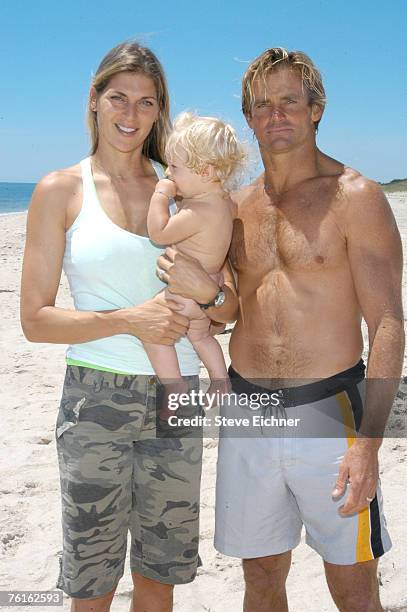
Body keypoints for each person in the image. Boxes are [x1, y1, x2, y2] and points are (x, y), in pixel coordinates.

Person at [155, 47, 404, 611]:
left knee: (352, 582)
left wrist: (368, 444)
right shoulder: (235, 206)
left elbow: (387, 322)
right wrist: (206, 292)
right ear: (248, 117)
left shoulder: (355, 197)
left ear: (316, 108)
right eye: (263, 104)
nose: (276, 115)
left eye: (290, 100)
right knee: (261, 575)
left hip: (330, 408)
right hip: (248, 410)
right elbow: (232, 310)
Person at [20, 41, 211, 612]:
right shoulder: (61, 190)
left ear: (160, 111)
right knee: (93, 583)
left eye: (147, 102)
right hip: (95, 401)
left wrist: (214, 295)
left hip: (178, 401)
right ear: (95, 101)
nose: (131, 116)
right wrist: (131, 320)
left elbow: (225, 305)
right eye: (119, 98)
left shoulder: (180, 189)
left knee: (160, 577)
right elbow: (35, 321)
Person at [145, 112, 246, 412]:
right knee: (200, 336)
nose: (169, 175)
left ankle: (173, 385)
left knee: (154, 336)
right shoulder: (224, 203)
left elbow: (159, 232)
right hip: (206, 290)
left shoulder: (197, 210)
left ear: (204, 171)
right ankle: (219, 378)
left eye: (174, 167)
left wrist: (160, 197)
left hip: (182, 295)